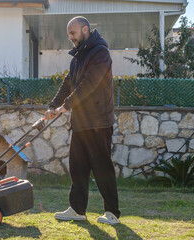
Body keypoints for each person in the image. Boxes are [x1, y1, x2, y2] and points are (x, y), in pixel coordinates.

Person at [45, 16, 120, 225]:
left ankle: (112, 213)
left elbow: (89, 85)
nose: (70, 37)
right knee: (77, 167)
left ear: (85, 30)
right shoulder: (77, 57)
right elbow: (68, 83)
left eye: (73, 33)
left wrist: (66, 105)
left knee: (102, 168)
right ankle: (78, 210)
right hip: (81, 122)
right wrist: (53, 106)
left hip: (99, 121)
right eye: (69, 33)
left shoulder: (100, 53)